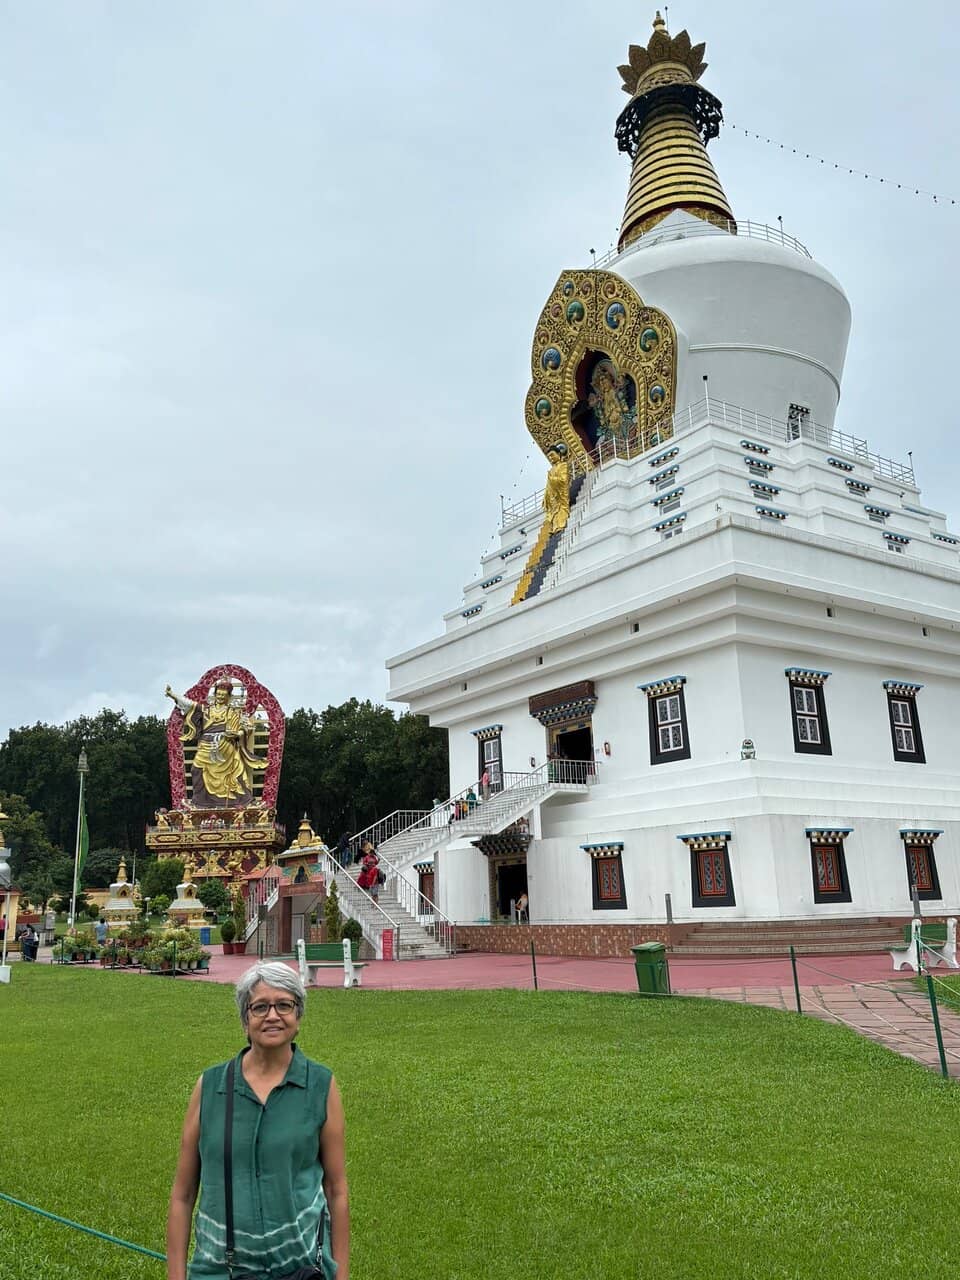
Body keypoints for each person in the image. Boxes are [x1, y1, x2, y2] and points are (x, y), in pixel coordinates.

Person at [166, 961, 349, 1280]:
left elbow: (336, 1189)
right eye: (260, 1006)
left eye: (284, 1005)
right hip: (220, 1270)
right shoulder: (211, 1087)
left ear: (298, 1015)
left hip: (301, 1267)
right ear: (245, 1019)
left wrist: (341, 1273)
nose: (273, 1015)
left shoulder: (321, 1085)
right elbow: (183, 1195)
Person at [165, 680, 267, 808]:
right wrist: (172, 695)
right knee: (196, 769)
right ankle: (199, 802)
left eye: (223, 695)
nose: (220, 697)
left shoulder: (233, 712)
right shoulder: (206, 710)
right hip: (206, 745)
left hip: (225, 745)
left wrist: (238, 734)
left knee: (235, 772)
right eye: (218, 694)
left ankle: (243, 802)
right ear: (214, 694)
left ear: (228, 697)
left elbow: (246, 727)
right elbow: (190, 705)